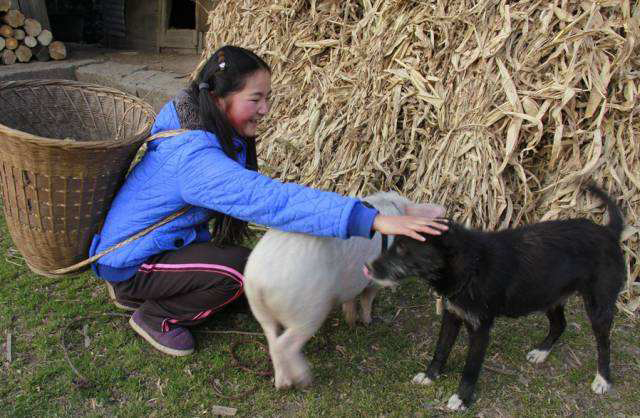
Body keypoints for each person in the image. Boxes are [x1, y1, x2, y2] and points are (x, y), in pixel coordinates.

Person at [89, 45, 448, 357]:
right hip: (132, 259)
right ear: (218, 99)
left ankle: (140, 292)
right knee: (237, 273)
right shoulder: (194, 159)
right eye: (255, 99)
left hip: (154, 246)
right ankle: (155, 315)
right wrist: (371, 220)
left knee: (245, 268)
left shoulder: (201, 125)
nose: (265, 109)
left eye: (267, 98)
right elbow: (272, 200)